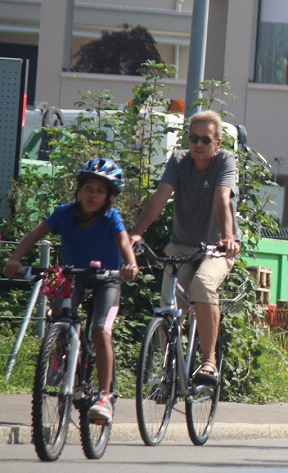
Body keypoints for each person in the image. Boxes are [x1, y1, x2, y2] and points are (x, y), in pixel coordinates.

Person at [4, 158, 139, 424]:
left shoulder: (111, 217)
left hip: (107, 280)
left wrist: (131, 264)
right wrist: (15, 259)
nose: (93, 195)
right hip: (72, 276)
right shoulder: (65, 213)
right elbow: (34, 235)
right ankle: (61, 356)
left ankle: (104, 396)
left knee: (101, 330)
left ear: (109, 196)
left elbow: (123, 240)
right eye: (88, 187)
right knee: (59, 314)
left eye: (100, 190)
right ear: (79, 190)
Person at [130, 110, 240, 385]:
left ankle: (209, 361)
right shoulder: (178, 161)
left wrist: (227, 237)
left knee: (203, 285)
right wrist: (135, 234)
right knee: (169, 304)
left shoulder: (225, 161)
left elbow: (222, 198)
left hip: (218, 247)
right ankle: (168, 370)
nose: (198, 145)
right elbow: (159, 198)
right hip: (181, 246)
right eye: (194, 139)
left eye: (206, 139)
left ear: (218, 142)